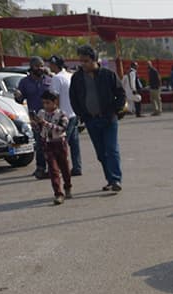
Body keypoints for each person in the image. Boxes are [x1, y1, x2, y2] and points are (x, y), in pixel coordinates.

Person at [69, 44, 125, 192]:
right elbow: (73, 98)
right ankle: (110, 179)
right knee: (101, 153)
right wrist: (82, 115)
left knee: (112, 150)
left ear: (94, 60)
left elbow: (121, 94)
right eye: (81, 61)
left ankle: (116, 180)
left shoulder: (108, 75)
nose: (83, 64)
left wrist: (114, 111)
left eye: (86, 61)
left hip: (108, 119)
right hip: (91, 120)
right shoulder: (77, 78)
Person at [17, 56, 54, 179]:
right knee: (40, 144)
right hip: (35, 117)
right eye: (37, 66)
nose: (40, 68)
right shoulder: (24, 82)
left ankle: (53, 167)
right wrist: (17, 96)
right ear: (31, 67)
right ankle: (40, 168)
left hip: (50, 116)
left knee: (52, 143)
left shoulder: (49, 79)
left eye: (42, 65)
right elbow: (20, 99)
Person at [34, 90, 72, 204]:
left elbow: (61, 129)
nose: (45, 106)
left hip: (59, 143)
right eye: (44, 103)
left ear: (55, 102)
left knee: (64, 168)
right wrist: (35, 124)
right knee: (53, 170)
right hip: (47, 144)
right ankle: (58, 194)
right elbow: (39, 130)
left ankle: (68, 186)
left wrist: (45, 123)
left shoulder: (62, 114)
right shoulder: (41, 113)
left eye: (48, 103)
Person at [47, 55, 82, 177]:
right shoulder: (70, 76)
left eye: (50, 64)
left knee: (60, 144)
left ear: (55, 65)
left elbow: (54, 97)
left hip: (63, 115)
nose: (49, 66)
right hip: (73, 113)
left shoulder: (57, 78)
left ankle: (58, 169)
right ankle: (77, 167)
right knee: (74, 143)